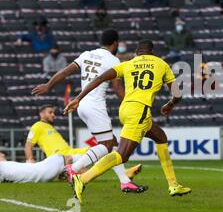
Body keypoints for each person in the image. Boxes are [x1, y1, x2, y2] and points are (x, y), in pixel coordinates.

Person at [64, 40, 191, 203]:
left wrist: (78, 98)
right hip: (140, 111)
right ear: (152, 52)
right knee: (122, 155)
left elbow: (101, 78)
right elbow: (177, 94)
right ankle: (82, 179)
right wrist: (170, 105)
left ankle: (173, 184)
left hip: (125, 109)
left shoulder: (128, 64)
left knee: (160, 137)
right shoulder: (161, 64)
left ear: (137, 53)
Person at [32, 29, 145, 193]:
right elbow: (117, 87)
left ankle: (125, 181)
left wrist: (48, 85)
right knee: (106, 145)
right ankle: (74, 168)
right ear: (115, 43)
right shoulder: (113, 60)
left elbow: (65, 71)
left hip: (81, 104)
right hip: (95, 105)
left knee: (110, 142)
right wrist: (132, 103)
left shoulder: (87, 54)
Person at [0, 152, 73, 183]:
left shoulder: (6, 167)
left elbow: (20, 170)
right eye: (0, 154)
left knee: (69, 158)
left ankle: (65, 173)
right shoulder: (3, 167)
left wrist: (28, 164)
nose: (3, 154)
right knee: (69, 158)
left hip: (41, 170)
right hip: (43, 171)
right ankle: (68, 174)